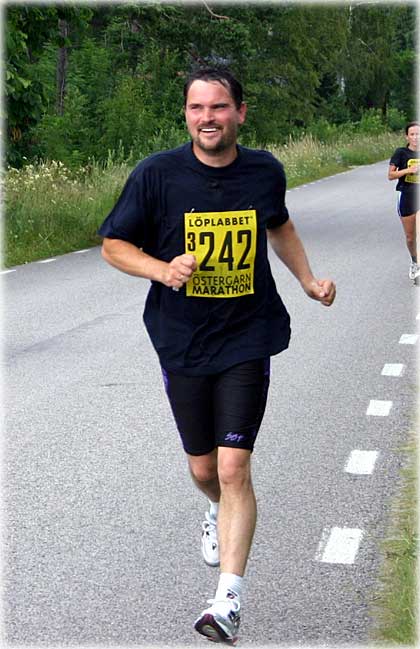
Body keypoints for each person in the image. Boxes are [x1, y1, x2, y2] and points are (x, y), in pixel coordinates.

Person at [98, 67, 336, 645]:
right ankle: (216, 509)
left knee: (233, 468)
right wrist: (162, 269)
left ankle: (227, 600)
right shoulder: (156, 174)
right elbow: (113, 245)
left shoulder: (263, 171)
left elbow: (279, 226)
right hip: (181, 339)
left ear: (240, 113)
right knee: (204, 470)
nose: (208, 118)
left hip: (247, 335)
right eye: (197, 108)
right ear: (186, 114)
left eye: (219, 107)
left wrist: (307, 280)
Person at [388, 121, 419, 281]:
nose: (415, 137)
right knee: (410, 237)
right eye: (412, 134)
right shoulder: (401, 153)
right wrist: (409, 170)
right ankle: (414, 262)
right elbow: (390, 175)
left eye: (418, 134)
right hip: (406, 195)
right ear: (407, 137)